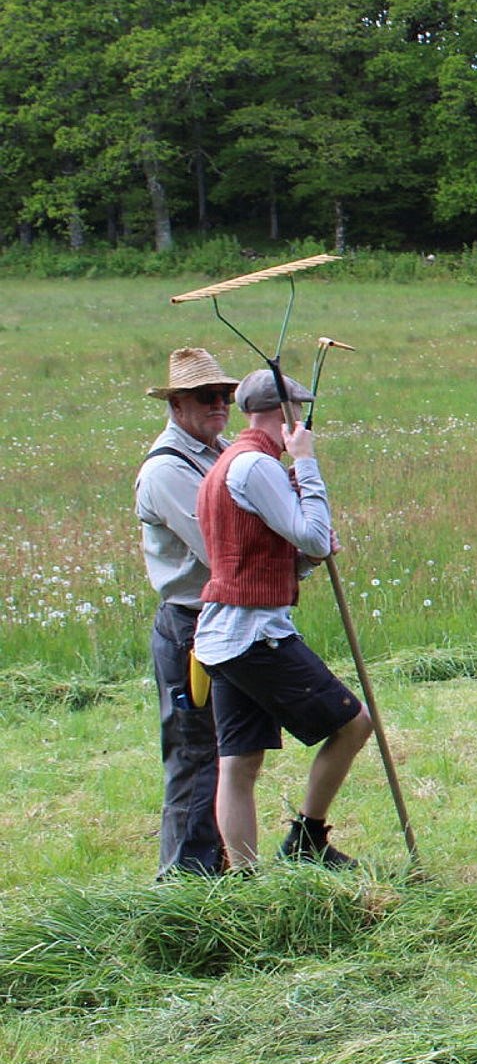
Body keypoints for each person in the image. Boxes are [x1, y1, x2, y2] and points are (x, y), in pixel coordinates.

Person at [194, 368, 373, 869]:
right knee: (354, 724)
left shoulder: (229, 462)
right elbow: (312, 534)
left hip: (221, 635)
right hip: (253, 635)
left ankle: (247, 882)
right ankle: (307, 840)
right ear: (287, 412)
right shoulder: (256, 465)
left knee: (240, 762)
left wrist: (303, 565)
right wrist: (308, 466)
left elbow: (253, 555)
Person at [132, 348, 240, 876]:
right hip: (190, 627)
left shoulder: (216, 450)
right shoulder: (167, 471)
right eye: (206, 397)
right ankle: (182, 888)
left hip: (222, 618)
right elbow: (221, 545)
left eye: (226, 396)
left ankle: (216, 867)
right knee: (195, 754)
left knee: (228, 750)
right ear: (176, 403)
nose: (220, 405)